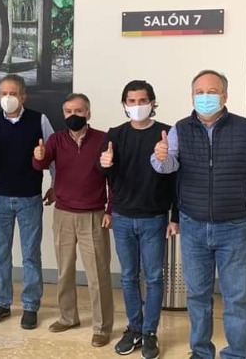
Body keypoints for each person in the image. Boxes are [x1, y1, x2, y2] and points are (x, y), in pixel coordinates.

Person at [151, 70, 246, 359]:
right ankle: (201, 351)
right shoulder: (180, 129)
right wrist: (160, 156)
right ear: (191, 96)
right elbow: (166, 167)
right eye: (199, 92)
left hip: (236, 226)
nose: (205, 97)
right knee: (197, 296)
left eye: (212, 91)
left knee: (237, 297)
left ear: (225, 96)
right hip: (193, 226)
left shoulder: (245, 129)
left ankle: (237, 354)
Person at [0, 74, 54, 330]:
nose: (8, 98)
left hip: (30, 198)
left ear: (23, 96)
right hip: (2, 198)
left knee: (30, 255)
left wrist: (55, 185)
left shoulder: (39, 119)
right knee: (1, 253)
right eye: (3, 93)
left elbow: (53, 153)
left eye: (13, 93)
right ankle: (2, 302)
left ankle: (30, 305)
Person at [99, 80, 177, 359]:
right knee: (128, 276)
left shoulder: (166, 133)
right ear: (124, 104)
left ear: (152, 102)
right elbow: (106, 173)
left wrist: (175, 216)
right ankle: (134, 328)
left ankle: (150, 332)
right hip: (122, 217)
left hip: (154, 217)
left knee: (154, 277)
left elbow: (177, 177)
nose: (137, 106)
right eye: (131, 101)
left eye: (142, 100)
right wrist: (104, 164)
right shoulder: (115, 134)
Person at [32, 93, 114, 348]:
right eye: (68, 111)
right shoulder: (56, 139)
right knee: (64, 271)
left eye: (78, 111)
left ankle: (102, 327)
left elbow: (114, 177)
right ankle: (68, 317)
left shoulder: (103, 139)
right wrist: (38, 155)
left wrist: (110, 210)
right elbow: (40, 165)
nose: (73, 115)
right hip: (63, 214)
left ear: (88, 113)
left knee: (98, 274)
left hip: (94, 215)